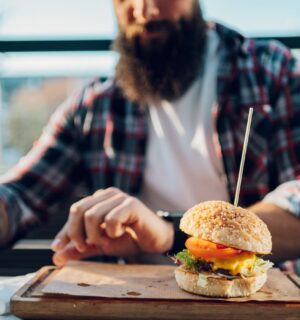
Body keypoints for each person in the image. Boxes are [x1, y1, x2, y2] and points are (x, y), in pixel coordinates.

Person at [0, 0, 300, 268]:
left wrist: (171, 232)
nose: (145, 11)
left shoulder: (271, 73)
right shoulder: (93, 108)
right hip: (132, 302)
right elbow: (19, 197)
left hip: (255, 305)